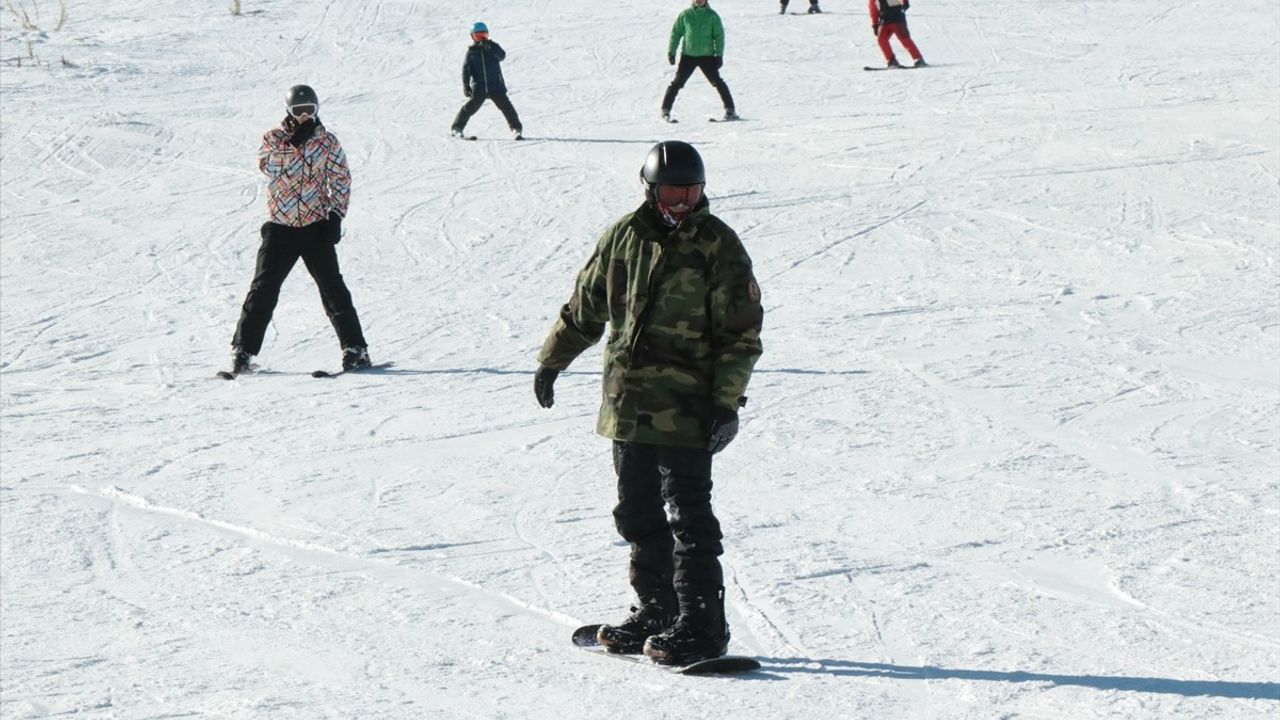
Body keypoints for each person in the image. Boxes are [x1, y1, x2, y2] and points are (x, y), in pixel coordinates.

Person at [533, 141, 764, 666]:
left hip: (689, 408)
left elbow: (741, 334)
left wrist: (726, 402)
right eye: (672, 191)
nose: (682, 201)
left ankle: (703, 623)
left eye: (691, 191)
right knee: (636, 511)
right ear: (651, 189)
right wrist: (552, 361)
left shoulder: (719, 245)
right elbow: (586, 306)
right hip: (628, 404)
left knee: (689, 517)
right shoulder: (624, 235)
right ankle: (657, 609)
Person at [229, 85, 370, 375]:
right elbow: (268, 166)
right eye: (299, 111)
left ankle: (355, 349)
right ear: (289, 112)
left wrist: (335, 215)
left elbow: (341, 179)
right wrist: (295, 143)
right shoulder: (273, 139)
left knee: (333, 289)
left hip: (315, 227)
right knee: (263, 290)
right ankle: (242, 350)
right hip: (280, 227)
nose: (305, 116)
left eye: (310, 111)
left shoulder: (327, 142)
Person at [662, 0, 738, 122]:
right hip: (688, 56)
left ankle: (730, 110)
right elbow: (676, 33)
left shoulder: (712, 16)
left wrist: (719, 55)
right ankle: (665, 110)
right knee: (677, 83)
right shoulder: (686, 15)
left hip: (706, 56)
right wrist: (672, 51)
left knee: (718, 82)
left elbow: (719, 36)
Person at [450, 22, 524, 140]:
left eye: (483, 35)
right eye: (477, 36)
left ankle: (516, 129)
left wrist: (493, 48)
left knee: (506, 107)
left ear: (487, 35)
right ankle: (457, 128)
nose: (480, 38)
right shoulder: (471, 53)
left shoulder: (493, 47)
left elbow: (502, 56)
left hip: (495, 85)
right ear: (472, 37)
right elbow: (466, 70)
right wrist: (466, 85)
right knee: (469, 107)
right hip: (479, 87)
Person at [870, 0, 926, 68]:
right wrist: (875, 25)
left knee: (904, 38)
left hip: (897, 17)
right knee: (881, 39)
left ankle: (918, 59)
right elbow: (873, 9)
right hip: (885, 20)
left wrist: (905, 2)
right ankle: (891, 60)